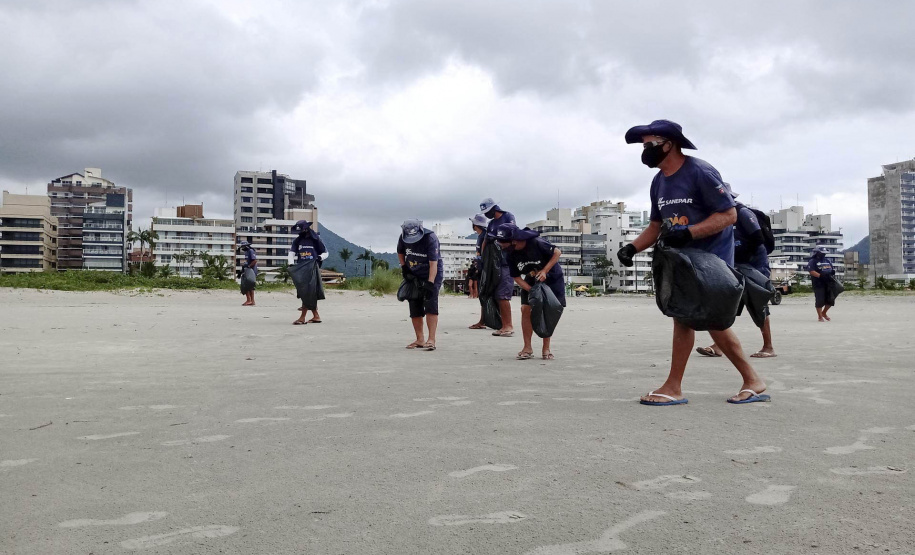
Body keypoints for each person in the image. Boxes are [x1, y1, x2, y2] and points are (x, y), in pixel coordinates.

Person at [618, 119, 768, 406]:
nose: (645, 150)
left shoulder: (700, 171)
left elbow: (728, 215)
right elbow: (656, 225)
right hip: (681, 262)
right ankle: (749, 380)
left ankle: (676, 386)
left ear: (668, 143)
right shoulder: (659, 180)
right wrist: (631, 248)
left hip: (711, 262)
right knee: (692, 319)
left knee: (695, 319)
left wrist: (688, 232)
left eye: (649, 144)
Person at [697, 188, 776, 358]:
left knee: (758, 303)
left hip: (754, 264)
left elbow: (758, 239)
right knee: (728, 302)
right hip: (735, 264)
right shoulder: (720, 216)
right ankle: (718, 345)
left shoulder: (743, 213)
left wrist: (745, 261)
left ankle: (768, 347)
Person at [496, 223, 565, 360]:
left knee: (547, 311)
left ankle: (546, 348)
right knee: (525, 309)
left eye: (504, 244)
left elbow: (557, 252)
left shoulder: (536, 243)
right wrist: (531, 290)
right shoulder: (509, 254)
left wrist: (545, 271)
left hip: (552, 278)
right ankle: (527, 347)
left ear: (514, 241)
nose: (502, 247)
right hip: (531, 280)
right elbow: (515, 276)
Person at [397, 219, 443, 351]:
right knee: (414, 303)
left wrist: (430, 283)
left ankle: (431, 339)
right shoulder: (403, 237)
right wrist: (404, 267)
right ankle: (420, 339)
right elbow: (400, 252)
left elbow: (434, 263)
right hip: (413, 272)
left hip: (432, 272)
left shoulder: (430, 238)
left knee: (430, 303)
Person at [480, 198, 516, 337]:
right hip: (493, 263)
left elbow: (511, 234)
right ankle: (502, 324)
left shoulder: (508, 216)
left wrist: (496, 239)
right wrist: (483, 258)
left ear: (495, 208)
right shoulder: (491, 223)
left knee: (503, 295)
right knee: (494, 294)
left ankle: (508, 326)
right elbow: (485, 240)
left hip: (506, 262)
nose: (486, 214)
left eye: (488, 211)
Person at [288, 220, 328, 325]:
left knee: (307, 292)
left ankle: (302, 318)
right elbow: (292, 252)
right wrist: (291, 264)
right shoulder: (297, 241)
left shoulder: (315, 240)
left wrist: (320, 257)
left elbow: (325, 252)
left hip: (312, 268)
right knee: (306, 292)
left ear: (305, 229)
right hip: (301, 268)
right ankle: (316, 316)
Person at [468, 213, 489, 330]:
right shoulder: (480, 236)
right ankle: (483, 320)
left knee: (485, 294)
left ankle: (484, 320)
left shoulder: (485, 236)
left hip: (485, 269)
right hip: (480, 269)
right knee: (482, 295)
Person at [807, 246, 836, 322]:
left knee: (831, 300)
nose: (823, 255)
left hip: (829, 282)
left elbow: (831, 269)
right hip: (818, 284)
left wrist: (832, 272)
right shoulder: (812, 261)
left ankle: (824, 313)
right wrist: (820, 276)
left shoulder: (827, 260)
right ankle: (820, 316)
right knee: (820, 300)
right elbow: (811, 271)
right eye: (822, 253)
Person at [239, 241, 257, 307]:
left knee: (247, 285)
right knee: (250, 286)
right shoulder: (246, 252)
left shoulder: (251, 251)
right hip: (247, 270)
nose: (242, 248)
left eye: (243, 247)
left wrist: (249, 267)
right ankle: (252, 301)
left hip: (251, 271)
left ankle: (249, 300)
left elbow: (254, 261)